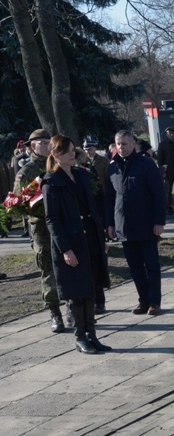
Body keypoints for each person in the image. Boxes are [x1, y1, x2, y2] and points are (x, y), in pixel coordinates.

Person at [42, 135, 111, 354]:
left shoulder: (82, 175)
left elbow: (93, 208)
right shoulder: (51, 181)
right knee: (77, 291)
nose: (72, 154)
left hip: (90, 238)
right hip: (71, 242)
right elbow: (52, 219)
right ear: (55, 155)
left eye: (73, 150)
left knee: (91, 288)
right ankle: (80, 336)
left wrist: (101, 238)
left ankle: (92, 334)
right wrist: (65, 249)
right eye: (66, 151)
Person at [105, 130, 166, 315]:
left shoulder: (146, 164)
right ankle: (143, 300)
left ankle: (154, 301)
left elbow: (159, 194)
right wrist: (110, 224)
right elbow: (109, 198)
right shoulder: (112, 167)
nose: (121, 148)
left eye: (124, 144)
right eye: (118, 144)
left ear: (133, 144)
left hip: (146, 223)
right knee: (135, 267)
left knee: (151, 265)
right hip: (124, 225)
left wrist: (159, 221)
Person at [14, 129, 66, 333]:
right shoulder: (26, 171)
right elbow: (19, 203)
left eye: (48, 142)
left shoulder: (58, 165)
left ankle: (74, 308)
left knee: (70, 265)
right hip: (41, 227)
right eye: (41, 143)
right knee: (48, 269)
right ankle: (55, 313)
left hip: (63, 223)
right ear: (31, 146)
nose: (46, 146)